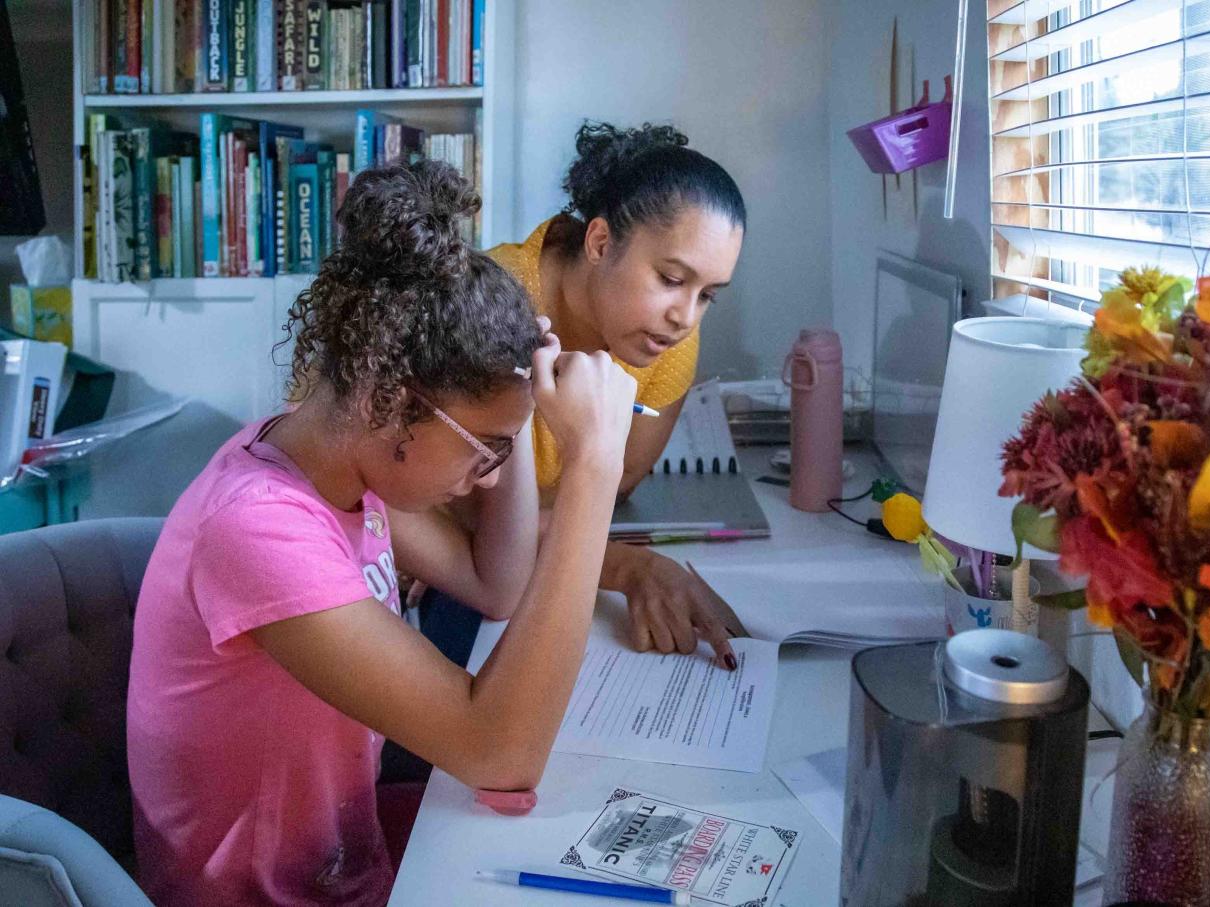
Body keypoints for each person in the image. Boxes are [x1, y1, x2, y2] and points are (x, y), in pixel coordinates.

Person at [126, 160, 637, 905]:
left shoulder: (336, 467)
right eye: (485, 449)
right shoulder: (258, 527)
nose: (491, 478)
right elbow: (501, 753)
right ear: (391, 402)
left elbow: (498, 582)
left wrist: (517, 395)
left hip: (344, 867)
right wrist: (594, 464)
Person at [490, 121, 748, 661]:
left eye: (708, 295)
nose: (685, 318)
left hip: (521, 561)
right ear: (601, 242)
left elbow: (621, 480)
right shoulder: (493, 308)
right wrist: (627, 566)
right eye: (672, 279)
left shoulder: (666, 336)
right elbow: (473, 517)